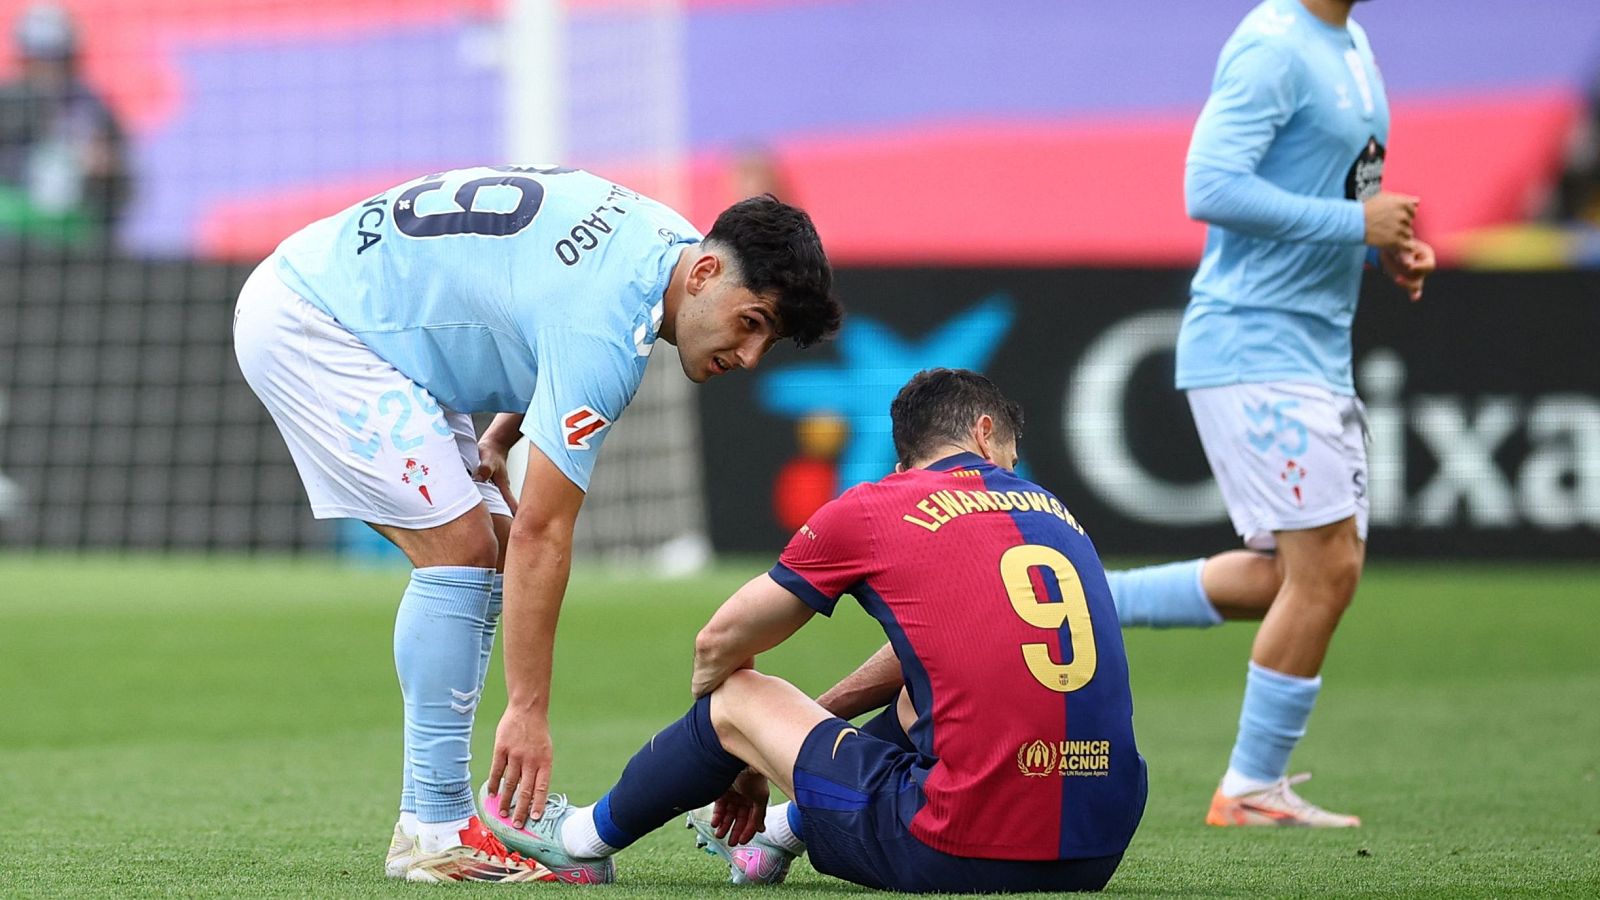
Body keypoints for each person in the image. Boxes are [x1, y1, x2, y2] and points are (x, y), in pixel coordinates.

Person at [232, 165, 840, 882]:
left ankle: (442, 817)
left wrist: (502, 433)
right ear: (707, 272)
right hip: (320, 323)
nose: (748, 357)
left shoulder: (666, 245)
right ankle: (431, 828)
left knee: (480, 543)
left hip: (358, 308)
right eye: (751, 325)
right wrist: (526, 710)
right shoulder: (606, 331)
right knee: (462, 547)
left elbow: (535, 297)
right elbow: (544, 531)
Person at [480, 368, 1146, 892]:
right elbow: (951, 648)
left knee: (736, 692)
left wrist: (743, 745)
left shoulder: (876, 505)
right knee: (930, 692)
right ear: (981, 433)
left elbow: (717, 641)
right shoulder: (1052, 508)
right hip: (1097, 846)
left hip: (958, 853)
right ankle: (775, 837)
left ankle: (577, 842)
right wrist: (790, 742)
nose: (1006, 461)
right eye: (1008, 448)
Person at [1104, 0, 1436, 828]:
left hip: (1311, 348)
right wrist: (1354, 221)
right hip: (1256, 345)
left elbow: (1328, 183)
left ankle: (1088, 600)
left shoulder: (1350, 40)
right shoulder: (1272, 44)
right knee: (1329, 570)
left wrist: (1378, 242)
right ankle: (1249, 787)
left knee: (1288, 577)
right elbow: (1209, 186)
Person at [0, 3, 128, 251]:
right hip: (10, 241)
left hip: (72, 244)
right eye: (39, 58)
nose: (48, 69)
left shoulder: (95, 112)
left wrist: (107, 173)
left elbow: (124, 192)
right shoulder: (5, 104)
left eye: (57, 58)